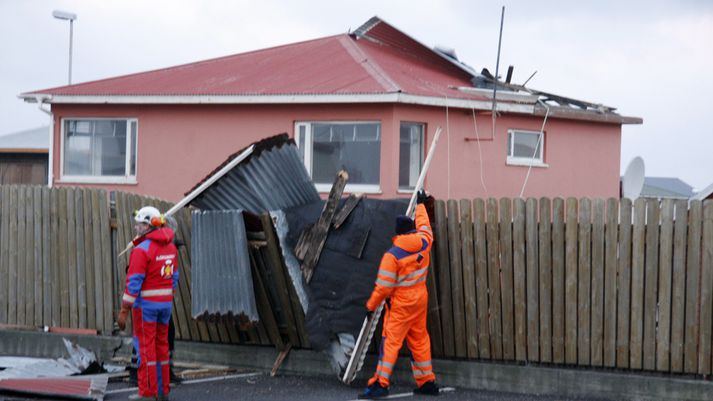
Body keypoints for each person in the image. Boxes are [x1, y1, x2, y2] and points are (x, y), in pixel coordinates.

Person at [359, 190, 439, 399]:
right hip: (420, 300)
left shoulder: (392, 256)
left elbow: (384, 287)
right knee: (420, 340)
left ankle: (380, 384)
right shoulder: (424, 243)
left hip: (401, 305)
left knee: (391, 342)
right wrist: (420, 206)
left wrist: (370, 306)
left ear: (397, 233)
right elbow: (426, 227)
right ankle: (427, 381)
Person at [118, 206, 179, 401]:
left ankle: (147, 393)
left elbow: (133, 282)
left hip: (145, 308)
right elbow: (174, 277)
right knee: (162, 348)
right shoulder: (171, 248)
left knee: (146, 349)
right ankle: (163, 392)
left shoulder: (141, 250)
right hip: (165, 306)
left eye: (139, 224)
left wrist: (124, 310)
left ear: (148, 225)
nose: (136, 228)